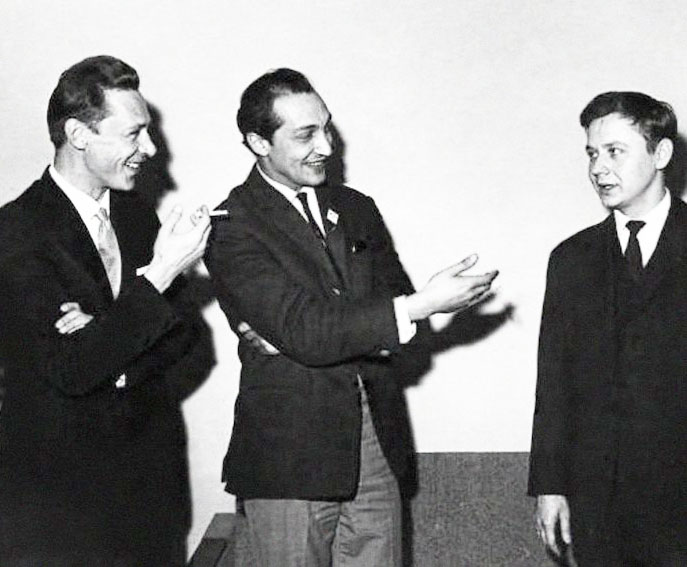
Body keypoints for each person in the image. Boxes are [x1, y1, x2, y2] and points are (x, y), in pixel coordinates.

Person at [205, 68, 498, 567]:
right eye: (305, 135)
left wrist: (355, 325)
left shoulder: (357, 208)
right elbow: (311, 331)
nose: (326, 146)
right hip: (289, 460)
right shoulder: (232, 226)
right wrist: (414, 306)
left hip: (376, 446)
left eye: (327, 128)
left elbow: (394, 327)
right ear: (258, 142)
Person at [0, 55, 211, 566]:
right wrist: (160, 275)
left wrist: (113, 347)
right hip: (60, 514)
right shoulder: (17, 231)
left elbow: (187, 337)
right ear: (78, 134)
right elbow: (72, 368)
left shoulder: (137, 216)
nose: (151, 149)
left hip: (149, 501)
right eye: (134, 133)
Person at [529, 91, 687, 566]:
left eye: (615, 151)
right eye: (592, 154)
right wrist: (550, 486)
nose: (599, 168)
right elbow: (553, 382)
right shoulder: (570, 260)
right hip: (598, 501)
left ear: (661, 153)